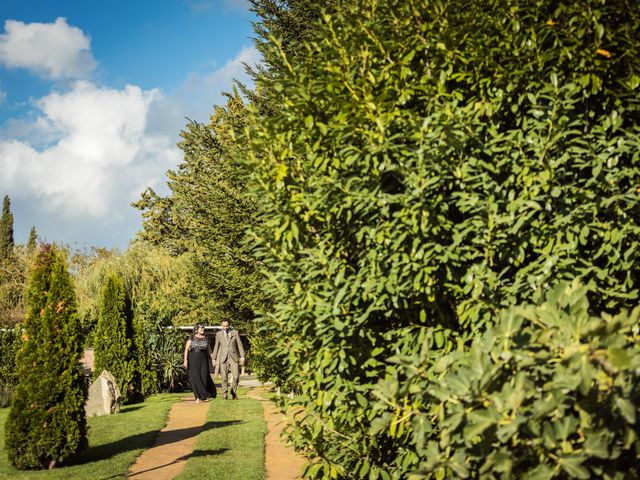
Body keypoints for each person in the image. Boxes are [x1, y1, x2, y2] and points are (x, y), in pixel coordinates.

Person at [183, 323, 216, 403]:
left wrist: (213, 359)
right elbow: (186, 349)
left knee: (204, 377)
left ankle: (203, 395)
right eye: (201, 328)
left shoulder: (206, 339)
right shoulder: (191, 338)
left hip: (203, 359)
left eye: (203, 328)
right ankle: (197, 397)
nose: (202, 329)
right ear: (196, 329)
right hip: (193, 359)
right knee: (195, 378)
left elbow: (209, 350)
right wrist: (185, 360)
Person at [212, 319, 245, 400]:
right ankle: (225, 393)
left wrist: (242, 357)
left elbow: (240, 345)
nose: (225, 328)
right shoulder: (218, 334)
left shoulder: (235, 332)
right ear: (221, 325)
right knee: (224, 377)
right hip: (223, 357)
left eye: (227, 326)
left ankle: (233, 391)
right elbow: (216, 346)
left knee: (236, 376)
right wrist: (214, 358)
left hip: (234, 357)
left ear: (229, 325)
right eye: (224, 326)